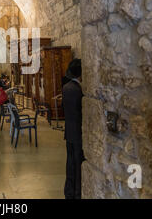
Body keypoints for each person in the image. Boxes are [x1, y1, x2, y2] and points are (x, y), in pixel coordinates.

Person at [62, 59, 85, 199]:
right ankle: (77, 193)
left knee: (70, 163)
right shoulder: (77, 90)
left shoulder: (66, 87)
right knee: (77, 164)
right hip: (77, 132)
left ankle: (69, 191)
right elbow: (80, 112)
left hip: (69, 131)